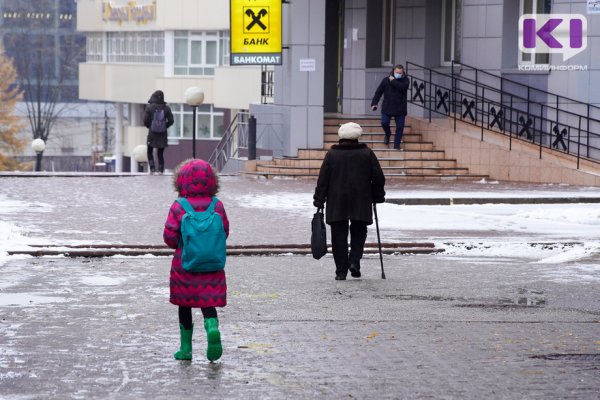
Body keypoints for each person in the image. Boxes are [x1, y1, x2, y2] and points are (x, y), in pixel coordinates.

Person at [163, 159, 229, 361]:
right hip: (212, 266)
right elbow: (224, 232)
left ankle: (185, 349)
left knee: (185, 305)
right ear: (212, 181)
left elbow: (170, 238)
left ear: (181, 181)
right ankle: (212, 327)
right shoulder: (217, 206)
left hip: (185, 266)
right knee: (207, 302)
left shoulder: (179, 206)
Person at [313, 122, 386, 280]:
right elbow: (378, 177)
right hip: (361, 200)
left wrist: (319, 199)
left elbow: (323, 179)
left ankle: (341, 271)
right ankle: (354, 261)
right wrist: (377, 196)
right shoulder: (366, 153)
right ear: (357, 137)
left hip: (337, 201)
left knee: (338, 235)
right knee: (359, 232)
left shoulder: (332, 154)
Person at [371, 64, 409, 150]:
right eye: (396, 72)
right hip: (387, 107)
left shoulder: (405, 80)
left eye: (400, 73)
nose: (398, 74)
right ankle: (388, 134)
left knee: (400, 127)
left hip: (400, 108)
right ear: (393, 71)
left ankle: (396, 146)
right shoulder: (385, 80)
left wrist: (393, 81)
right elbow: (378, 92)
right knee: (384, 123)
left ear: (403, 73)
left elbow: (402, 88)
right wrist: (374, 103)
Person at [144, 90, 174, 174]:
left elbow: (145, 120)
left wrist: (150, 126)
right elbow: (171, 121)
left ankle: (152, 169)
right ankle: (161, 169)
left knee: (150, 151)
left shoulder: (149, 107)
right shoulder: (166, 108)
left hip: (152, 133)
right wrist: (164, 126)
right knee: (160, 153)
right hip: (163, 134)